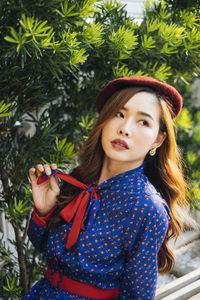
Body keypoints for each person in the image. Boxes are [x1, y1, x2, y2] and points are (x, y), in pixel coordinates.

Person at [23, 76, 187, 300]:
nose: (125, 129)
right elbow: (44, 248)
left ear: (158, 139)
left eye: (144, 122)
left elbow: (138, 296)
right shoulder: (81, 179)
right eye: (119, 114)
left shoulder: (147, 208)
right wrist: (43, 211)